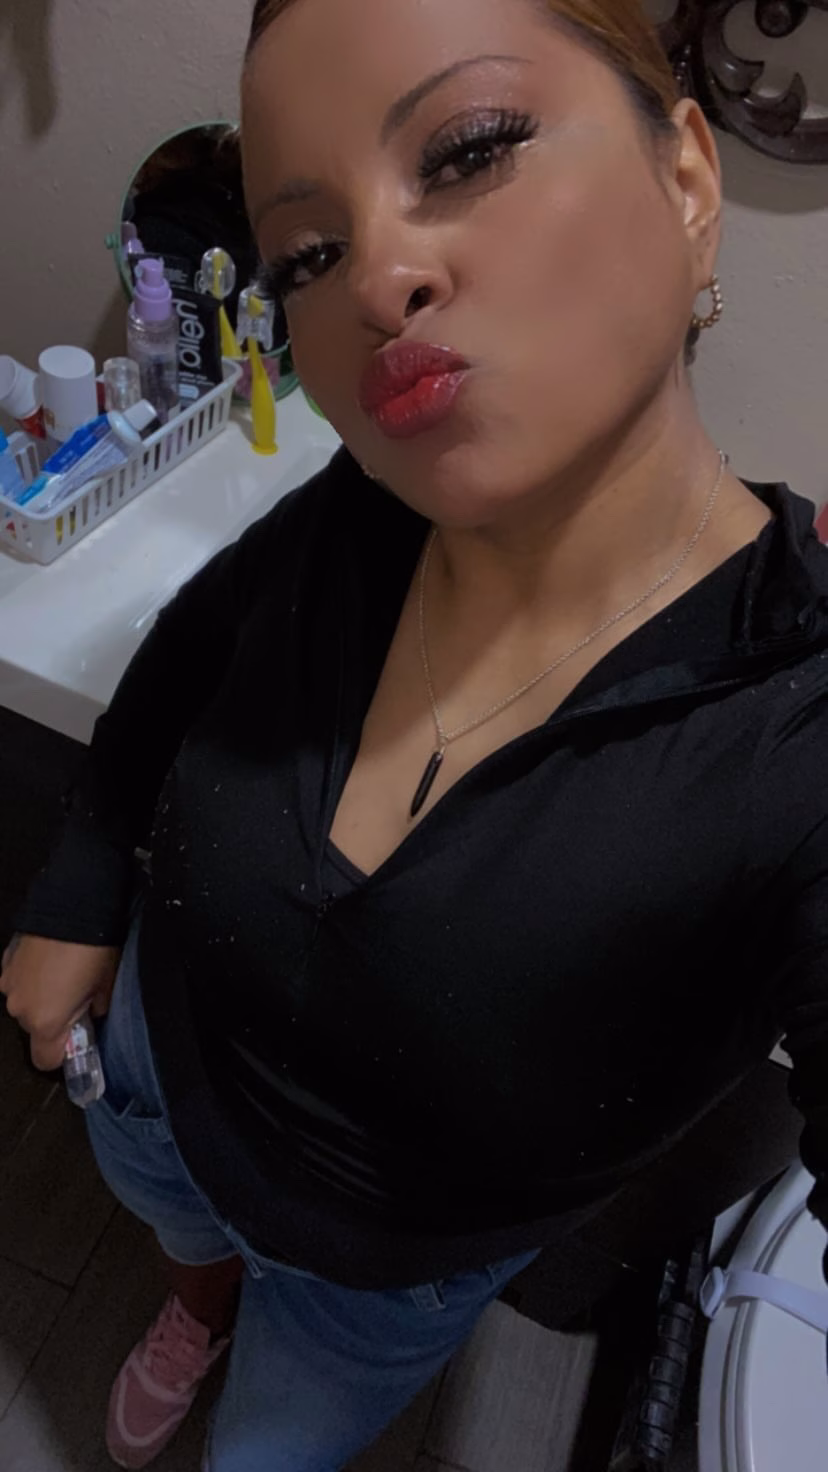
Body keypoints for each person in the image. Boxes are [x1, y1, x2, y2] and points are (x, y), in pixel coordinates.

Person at [3, 0, 827, 1467]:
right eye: (306, 256)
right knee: (171, 1224)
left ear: (688, 179)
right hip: (148, 1086)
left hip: (373, 1286)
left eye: (468, 150)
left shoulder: (799, 726)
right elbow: (186, 651)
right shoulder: (354, 513)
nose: (378, 281)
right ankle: (195, 1303)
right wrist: (79, 886)